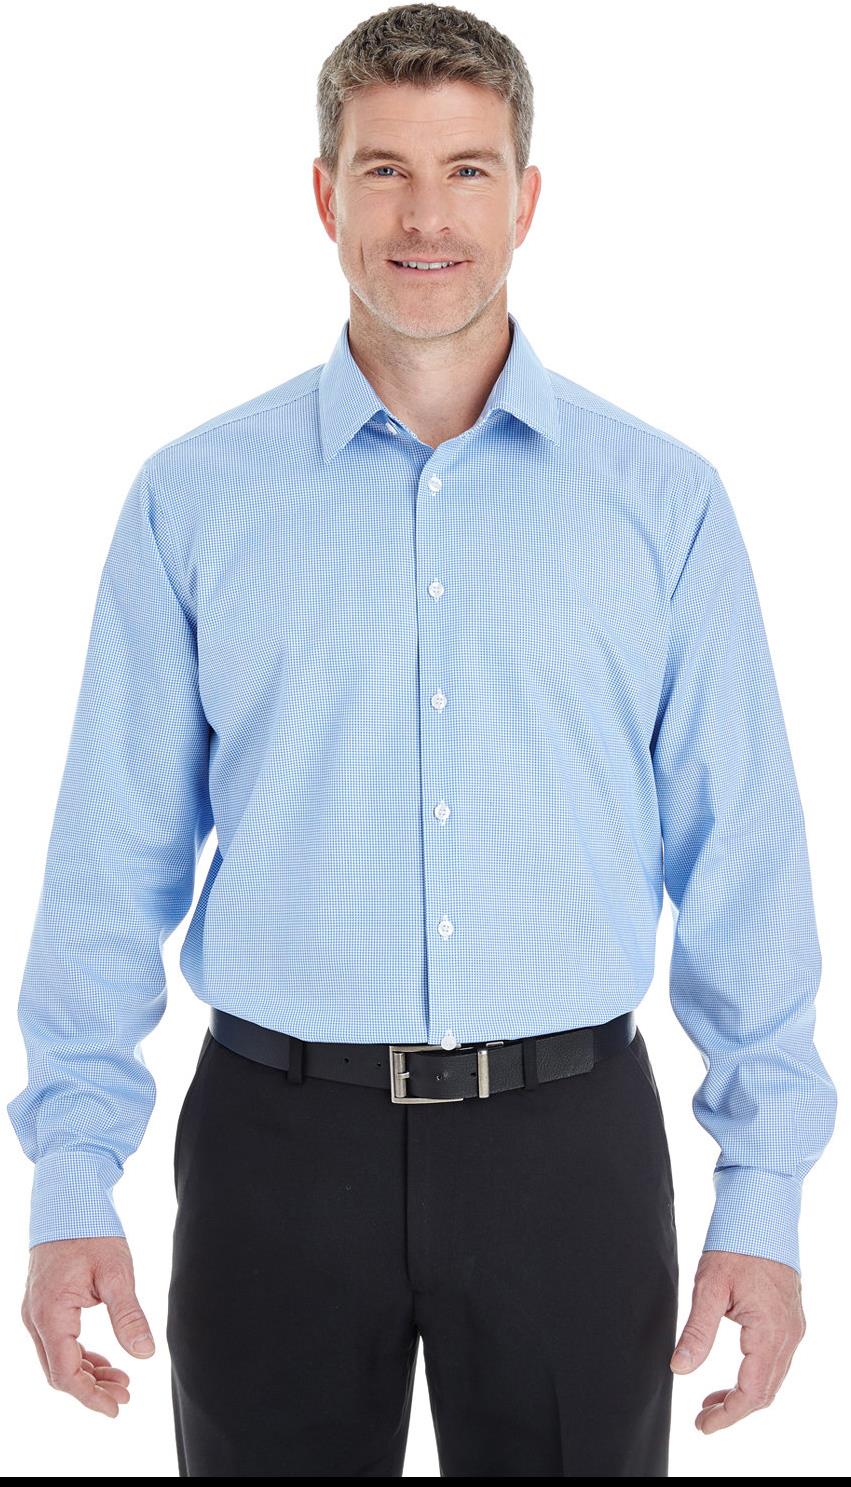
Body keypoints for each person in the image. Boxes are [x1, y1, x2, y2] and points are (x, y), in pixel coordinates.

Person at [7, 3, 837, 1477]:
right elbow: (107, 860)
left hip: (569, 1156)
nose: (426, 218)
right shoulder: (195, 498)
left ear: (527, 198)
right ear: (324, 195)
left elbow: (745, 864)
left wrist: (762, 1199)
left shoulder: (664, 502)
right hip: (274, 1153)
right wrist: (73, 1179)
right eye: (385, 170)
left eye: (467, 171)